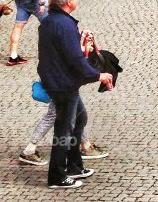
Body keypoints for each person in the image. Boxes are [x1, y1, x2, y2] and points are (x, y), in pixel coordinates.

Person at [37, 0, 114, 189]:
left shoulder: (51, 21)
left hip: (57, 80)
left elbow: (63, 52)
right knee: (63, 131)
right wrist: (99, 75)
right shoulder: (64, 24)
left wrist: (80, 44)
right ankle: (57, 176)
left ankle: (74, 165)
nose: (78, 0)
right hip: (63, 84)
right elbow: (75, 60)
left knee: (80, 119)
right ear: (69, 2)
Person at [20, 28, 109, 166]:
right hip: (61, 85)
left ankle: (85, 145)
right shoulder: (60, 30)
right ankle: (29, 150)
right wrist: (85, 50)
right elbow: (74, 60)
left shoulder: (56, 30)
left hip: (64, 84)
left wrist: (86, 44)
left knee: (79, 115)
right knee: (53, 115)